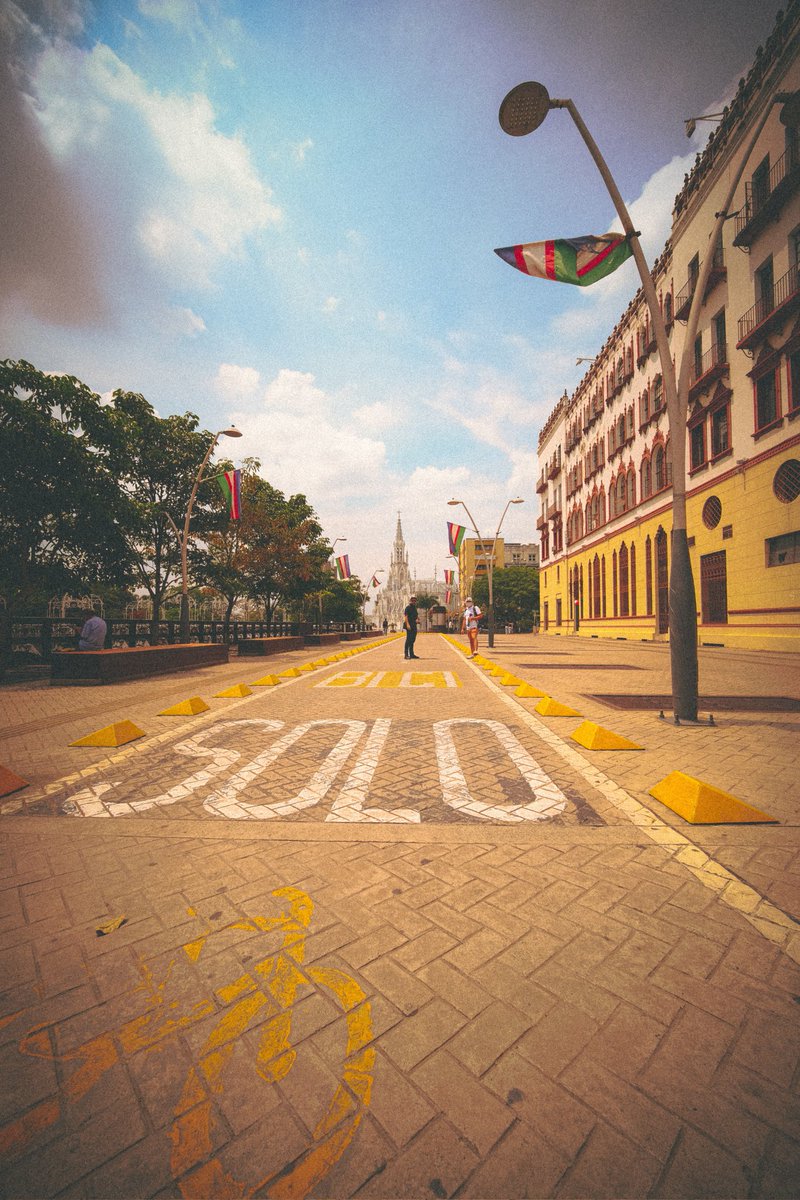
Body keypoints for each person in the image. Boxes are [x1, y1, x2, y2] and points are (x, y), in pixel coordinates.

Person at [403, 595, 419, 659]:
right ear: (410, 601)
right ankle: (406, 654)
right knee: (408, 639)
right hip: (409, 625)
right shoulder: (408, 608)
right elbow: (406, 616)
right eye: (413, 600)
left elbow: (416, 616)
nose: (414, 601)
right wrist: (407, 624)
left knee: (413, 639)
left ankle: (411, 654)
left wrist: (418, 619)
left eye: (415, 600)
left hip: (414, 624)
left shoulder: (414, 608)